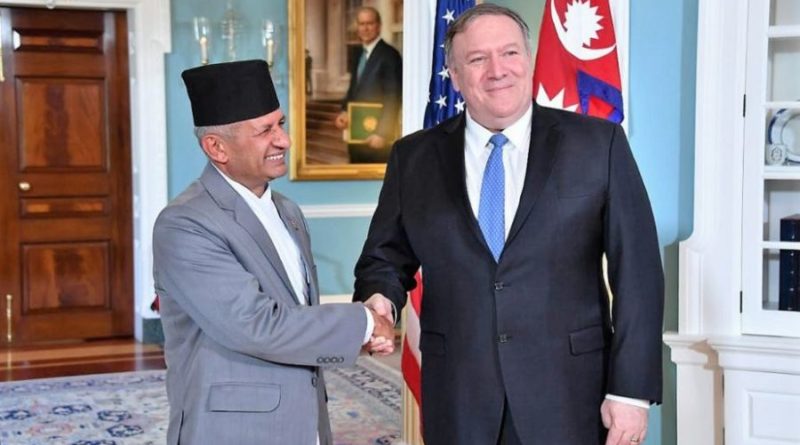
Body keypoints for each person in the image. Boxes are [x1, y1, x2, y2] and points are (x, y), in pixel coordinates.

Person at [352, 4, 664, 445]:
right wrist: (379, 298)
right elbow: (385, 257)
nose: (497, 70)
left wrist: (630, 391)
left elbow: (639, 273)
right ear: (454, 75)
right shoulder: (414, 157)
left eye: (510, 53)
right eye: (478, 59)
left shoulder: (598, 144)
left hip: (570, 393)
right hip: (458, 394)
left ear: (529, 59)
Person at [153, 60, 394, 445]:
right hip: (234, 431)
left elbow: (298, 315)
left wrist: (355, 335)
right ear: (216, 147)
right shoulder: (184, 223)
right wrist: (363, 322)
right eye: (265, 131)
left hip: (304, 423)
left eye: (280, 124)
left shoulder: (288, 211)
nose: (284, 140)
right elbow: (255, 324)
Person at [333, 6, 402, 164]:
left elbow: (393, 97)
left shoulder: (390, 55)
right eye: (361, 24)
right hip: (356, 136)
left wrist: (382, 133)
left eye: (369, 23)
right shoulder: (358, 54)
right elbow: (353, 90)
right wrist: (344, 111)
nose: (365, 28)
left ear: (378, 26)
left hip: (377, 139)